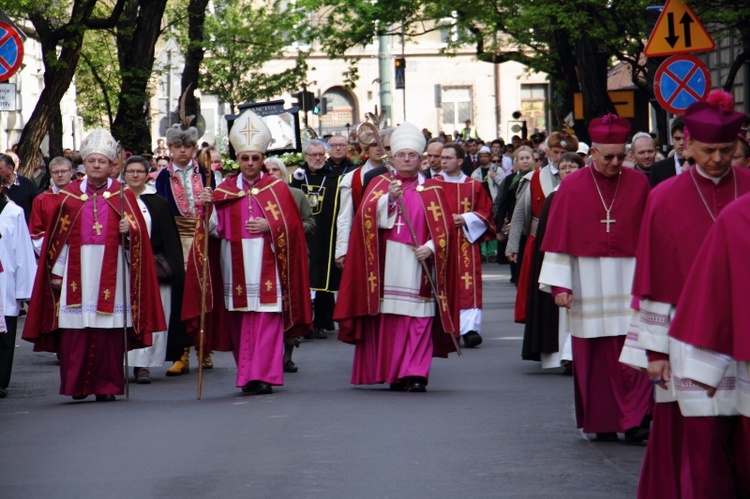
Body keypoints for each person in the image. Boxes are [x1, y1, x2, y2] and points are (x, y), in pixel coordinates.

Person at [639, 93, 750, 497]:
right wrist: (655, 352)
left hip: (745, 333)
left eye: (726, 150)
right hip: (689, 337)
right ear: (687, 144)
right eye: (708, 150)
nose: (718, 159)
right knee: (703, 441)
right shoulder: (664, 198)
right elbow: (653, 278)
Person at [22, 128, 165, 401]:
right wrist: (56, 271)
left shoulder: (124, 196)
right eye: (92, 161)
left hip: (114, 271)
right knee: (76, 331)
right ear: (84, 165)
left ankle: (107, 387)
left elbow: (141, 238)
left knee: (109, 332)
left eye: (102, 162)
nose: (97, 166)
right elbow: (59, 240)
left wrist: (130, 229)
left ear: (110, 165)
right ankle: (78, 386)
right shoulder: (69, 198)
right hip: (76, 271)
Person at [538, 114, 653, 442]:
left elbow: (651, 239)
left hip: (630, 281)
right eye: (608, 156)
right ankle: (603, 421)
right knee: (597, 357)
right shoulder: (572, 186)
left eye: (621, 155)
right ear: (593, 154)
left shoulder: (639, 184)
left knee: (635, 352)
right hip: (587, 283)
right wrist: (560, 285)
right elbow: (559, 239)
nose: (616, 163)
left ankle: (636, 421)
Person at [192, 109, 311, 395]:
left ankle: (265, 376)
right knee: (241, 324)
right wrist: (207, 207)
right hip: (235, 268)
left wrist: (271, 225)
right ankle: (247, 375)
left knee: (267, 321)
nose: (249, 163)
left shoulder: (278, 189)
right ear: (238, 159)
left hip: (268, 263)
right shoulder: (224, 190)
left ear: (262, 159)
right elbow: (211, 232)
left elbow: (294, 230)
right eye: (244, 158)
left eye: (254, 158)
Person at [334, 121, 458, 392]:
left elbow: (446, 229)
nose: (406, 159)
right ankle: (394, 372)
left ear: (421, 160)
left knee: (418, 320)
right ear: (393, 156)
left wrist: (432, 248)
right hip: (387, 263)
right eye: (401, 154)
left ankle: (415, 374)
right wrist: (387, 200)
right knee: (390, 321)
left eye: (412, 155)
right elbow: (364, 220)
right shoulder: (380, 184)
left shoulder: (434, 189)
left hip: (418, 263)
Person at [155, 116, 213, 374]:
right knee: (180, 298)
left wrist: (211, 203)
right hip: (175, 241)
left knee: (204, 295)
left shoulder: (208, 174)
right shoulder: (161, 178)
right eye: (177, 146)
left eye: (186, 147)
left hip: (202, 239)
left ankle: (204, 348)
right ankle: (181, 352)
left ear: (193, 148)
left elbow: (218, 210)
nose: (181, 151)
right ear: (170, 148)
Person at [122, 156, 187, 385]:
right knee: (126, 315)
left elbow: (168, 239)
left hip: (152, 267)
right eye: (131, 171)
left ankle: (143, 365)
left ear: (146, 174)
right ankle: (120, 362)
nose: (135, 175)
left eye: (140, 171)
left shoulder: (157, 202)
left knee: (150, 315)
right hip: (124, 266)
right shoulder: (115, 200)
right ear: (124, 174)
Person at [506, 131, 578, 323]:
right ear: (547, 152)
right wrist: (512, 245)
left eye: (564, 152)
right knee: (540, 298)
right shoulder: (533, 178)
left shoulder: (582, 179)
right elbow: (520, 213)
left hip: (571, 245)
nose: (559, 156)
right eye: (555, 151)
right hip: (538, 243)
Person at [521, 152, 582, 370]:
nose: (567, 170)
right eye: (563, 167)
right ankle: (564, 354)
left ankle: (576, 353)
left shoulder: (587, 194)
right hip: (559, 260)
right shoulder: (554, 197)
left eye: (572, 167)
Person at [432, 142, 494, 348]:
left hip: (466, 241)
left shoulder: (473, 185)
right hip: (440, 243)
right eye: (442, 158)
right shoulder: (432, 185)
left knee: (468, 283)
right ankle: (445, 326)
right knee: (442, 282)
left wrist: (466, 218)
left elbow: (486, 212)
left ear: (460, 161)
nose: (443, 161)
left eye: (448, 158)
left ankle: (469, 329)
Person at [290, 139, 346, 338]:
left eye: (321, 155)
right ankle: (303, 321)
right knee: (303, 277)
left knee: (324, 276)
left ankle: (322, 320)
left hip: (325, 233)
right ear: (306, 157)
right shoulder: (296, 177)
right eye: (314, 155)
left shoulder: (333, 177)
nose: (318, 158)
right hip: (303, 235)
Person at [265, 156, 315, 373]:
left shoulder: (296, 194)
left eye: (275, 170)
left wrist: (289, 228)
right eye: (267, 170)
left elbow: (310, 222)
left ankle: (288, 355)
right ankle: (269, 354)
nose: (271, 173)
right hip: (267, 258)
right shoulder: (257, 196)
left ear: (283, 172)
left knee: (292, 305)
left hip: (294, 257)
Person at [335, 128, 393, 270]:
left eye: (384, 146)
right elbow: (345, 217)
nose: (379, 149)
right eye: (374, 145)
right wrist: (342, 250)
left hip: (392, 240)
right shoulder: (352, 178)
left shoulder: (399, 175)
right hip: (363, 239)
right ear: (366, 149)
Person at [0, 191, 36, 399]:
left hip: (6, 280)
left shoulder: (13, 212)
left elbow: (22, 251)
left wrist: (25, 291)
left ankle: (1, 380)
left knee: (4, 334)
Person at [493, 146, 536, 282]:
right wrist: (499, 227)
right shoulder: (510, 180)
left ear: (533, 160)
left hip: (533, 224)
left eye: (527, 158)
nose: (525, 161)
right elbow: (501, 204)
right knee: (516, 257)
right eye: (521, 159)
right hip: (514, 223)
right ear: (516, 162)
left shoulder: (538, 178)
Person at [29, 157, 75, 256]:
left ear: (71, 172)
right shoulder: (41, 200)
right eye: (55, 172)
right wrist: (53, 253)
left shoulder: (82, 196)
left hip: (78, 252)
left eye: (63, 171)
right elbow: (36, 232)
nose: (60, 175)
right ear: (50, 174)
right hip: (52, 254)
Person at [650, 116, 687, 187]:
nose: (681, 142)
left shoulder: (700, 165)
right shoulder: (658, 169)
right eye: (677, 139)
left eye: (685, 138)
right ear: (672, 139)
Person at [0, 153, 38, 224]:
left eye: (0, 169)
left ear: (10, 169)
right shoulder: (1, 187)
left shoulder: (27, 184)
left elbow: (36, 207)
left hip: (24, 227)